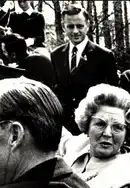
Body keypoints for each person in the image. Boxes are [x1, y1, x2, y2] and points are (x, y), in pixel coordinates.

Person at [59, 84, 130, 188]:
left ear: (127, 133)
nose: (107, 133)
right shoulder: (81, 143)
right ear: (87, 125)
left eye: (117, 127)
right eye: (100, 124)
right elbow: (62, 140)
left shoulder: (122, 178)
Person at [51, 4, 119, 136]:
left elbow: (113, 95)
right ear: (63, 26)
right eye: (70, 26)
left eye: (80, 26)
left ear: (87, 25)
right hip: (64, 129)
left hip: (93, 126)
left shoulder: (104, 56)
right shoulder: (56, 55)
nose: (75, 31)